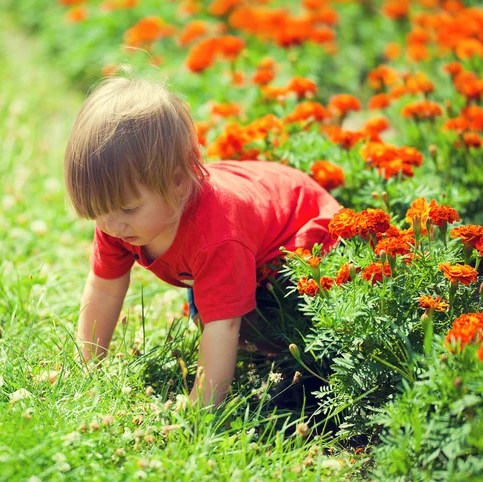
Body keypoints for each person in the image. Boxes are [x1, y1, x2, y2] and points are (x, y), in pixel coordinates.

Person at [63, 76, 340, 409]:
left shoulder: (217, 234)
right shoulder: (117, 218)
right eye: (98, 211)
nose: (110, 225)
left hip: (302, 239)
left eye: (128, 209)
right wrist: (87, 366)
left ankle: (304, 376)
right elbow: (105, 288)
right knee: (211, 304)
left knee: (279, 330)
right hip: (246, 242)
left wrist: (200, 413)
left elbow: (224, 325)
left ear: (178, 183)